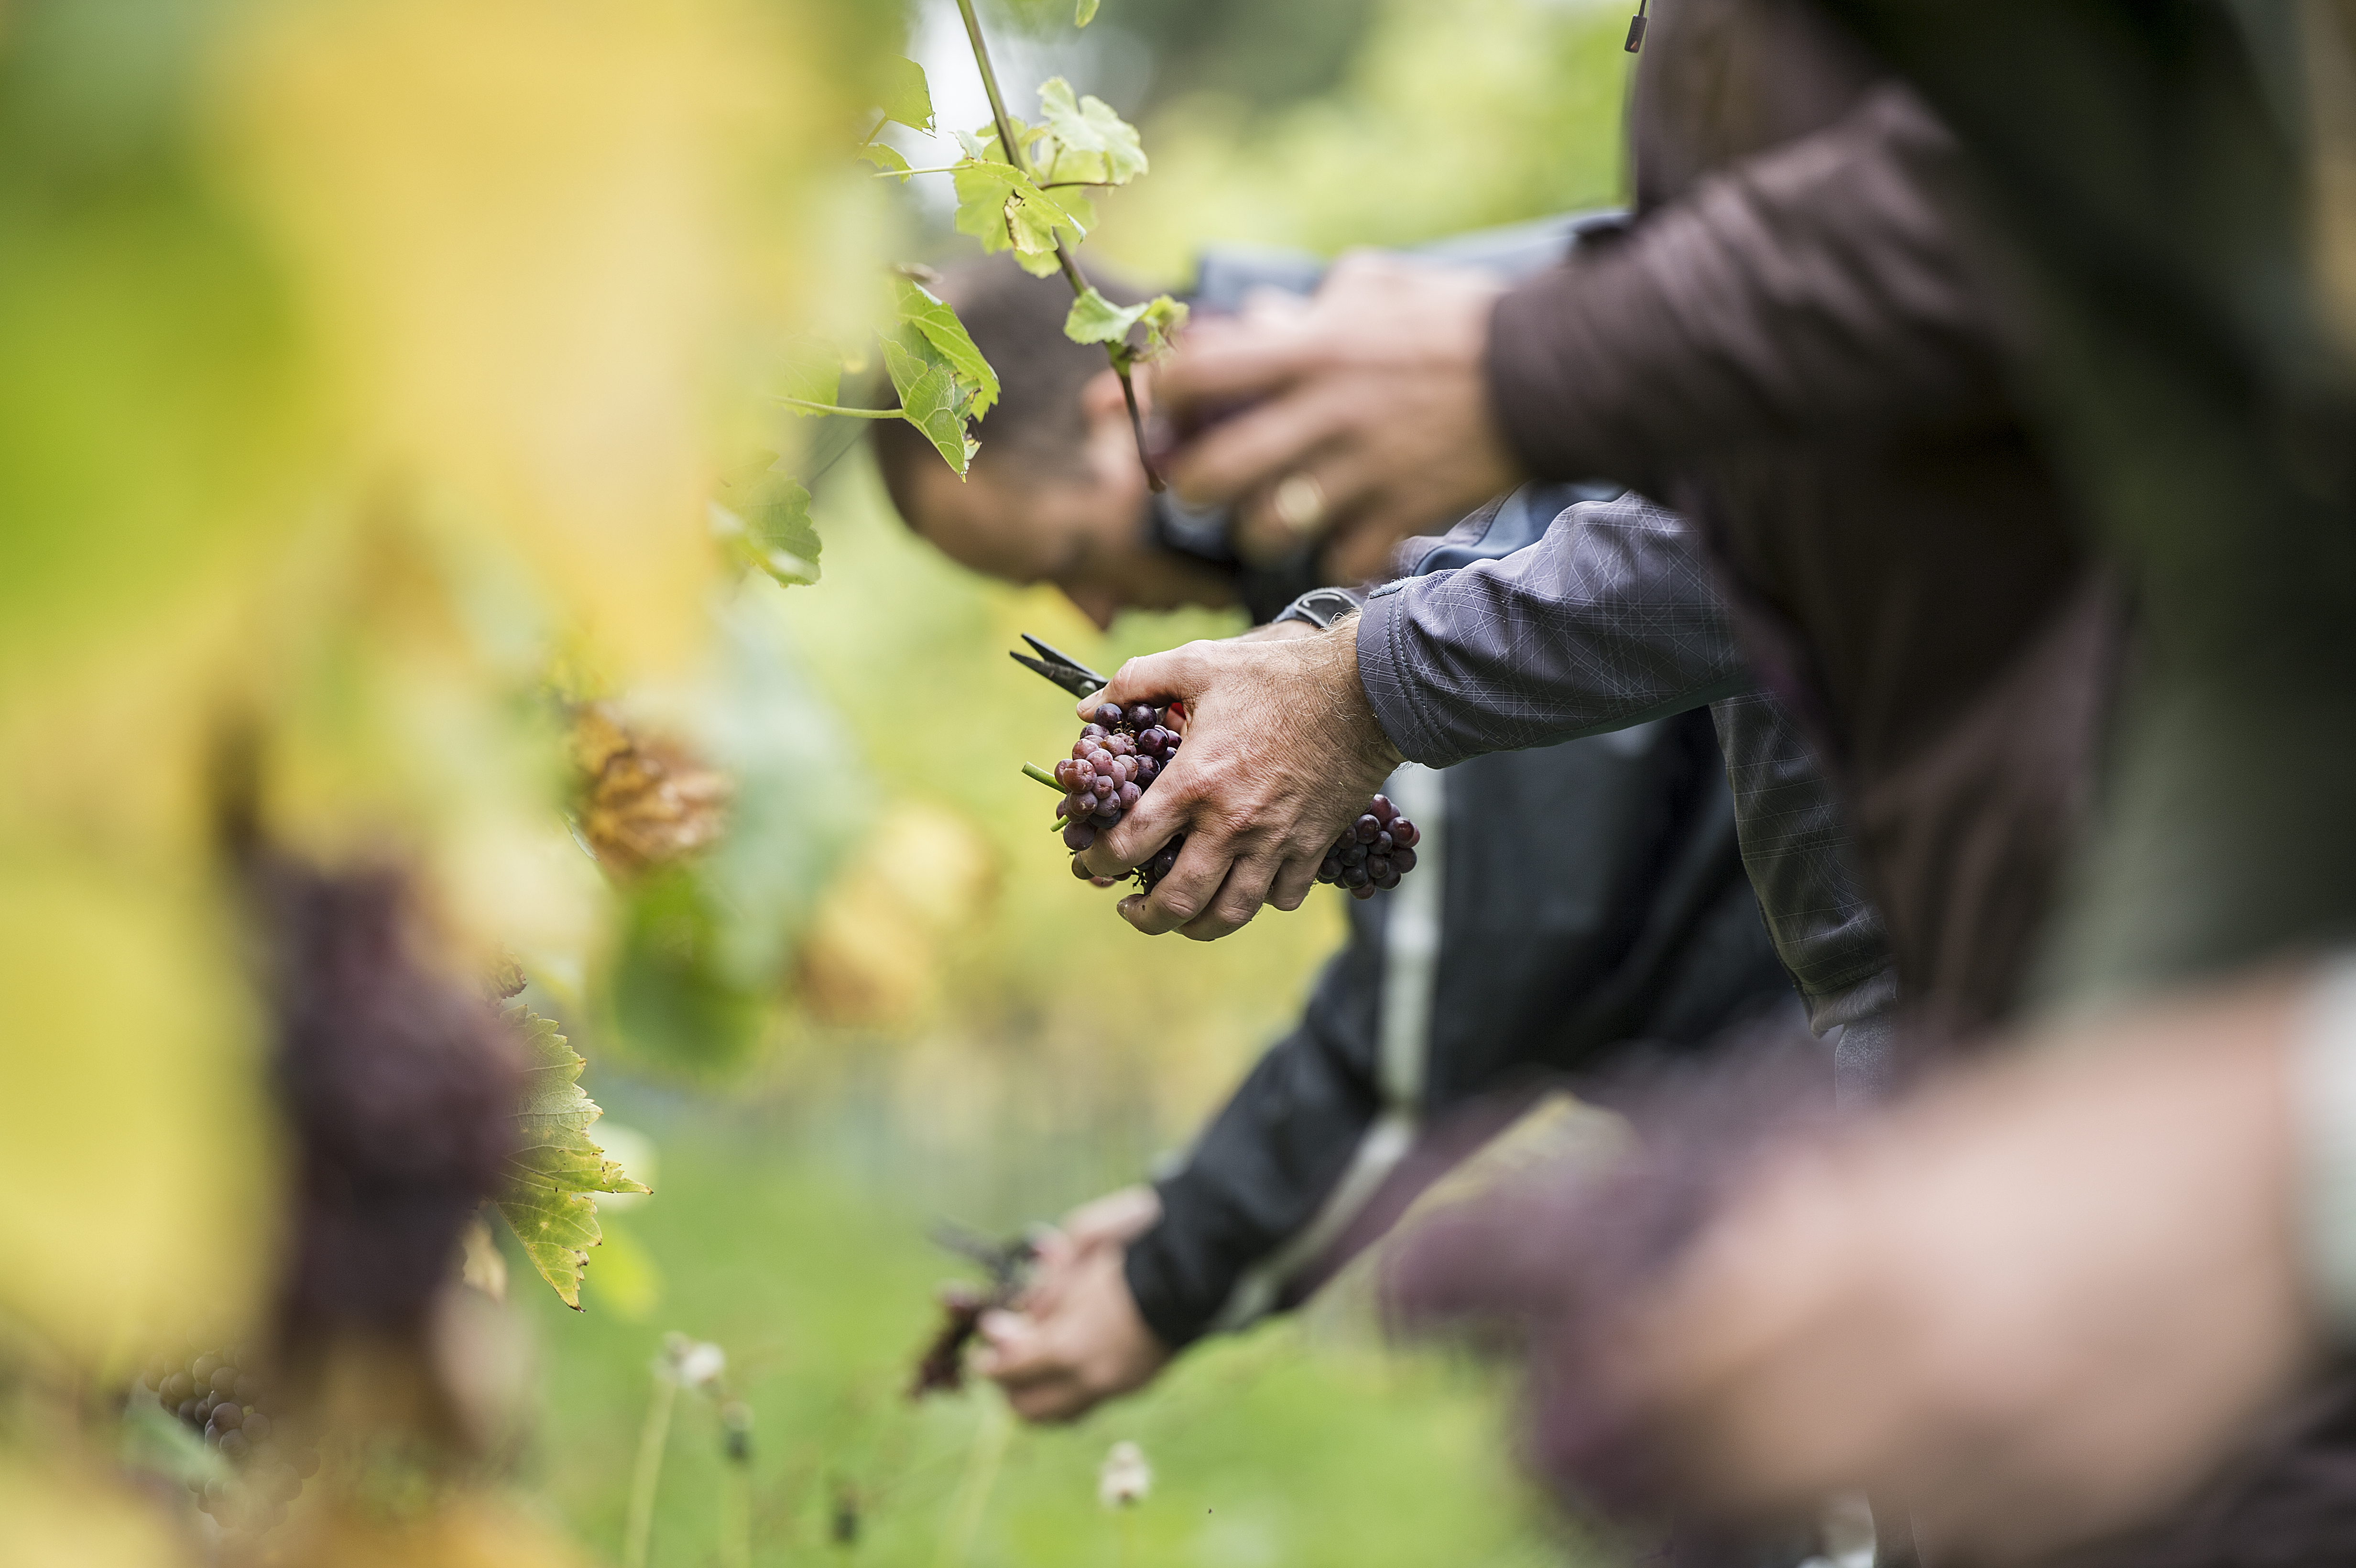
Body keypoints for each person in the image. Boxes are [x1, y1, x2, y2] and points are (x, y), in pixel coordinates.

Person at [1054, 0, 2356, 1558]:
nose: (1087, 610)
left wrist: (2271, 1138)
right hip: (2035, 1012)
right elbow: (2258, 605)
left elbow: (1952, 284)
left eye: (1058, 549)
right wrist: (2126, 1100)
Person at [869, 255, 1894, 1425]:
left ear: (1120, 418)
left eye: (1064, 558)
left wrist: (1173, 1273)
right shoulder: (1379, 440)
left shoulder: (1407, 459)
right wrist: (1180, 1213)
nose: (1092, 614)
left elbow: (1464, 965)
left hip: (1924, 1007)